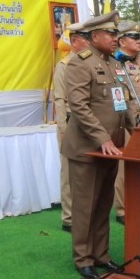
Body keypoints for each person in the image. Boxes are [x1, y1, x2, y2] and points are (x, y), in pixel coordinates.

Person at [62, 12, 134, 279]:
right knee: (85, 206)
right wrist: (103, 138)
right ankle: (83, 258)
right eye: (111, 34)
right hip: (87, 150)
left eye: (116, 34)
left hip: (111, 149)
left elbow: (122, 103)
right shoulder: (80, 63)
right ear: (95, 36)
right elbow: (79, 106)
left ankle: (101, 254)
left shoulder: (114, 64)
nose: (116, 38)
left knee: (104, 204)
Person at [113, 21, 140, 225]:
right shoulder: (117, 62)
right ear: (122, 41)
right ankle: (122, 209)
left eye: (139, 37)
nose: (138, 41)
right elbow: (119, 98)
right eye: (134, 38)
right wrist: (126, 122)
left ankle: (138, 203)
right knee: (124, 167)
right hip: (126, 122)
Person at [54, 22, 88, 233]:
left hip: (88, 124)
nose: (89, 41)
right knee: (69, 172)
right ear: (75, 41)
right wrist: (62, 128)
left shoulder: (89, 63)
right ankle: (69, 217)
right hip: (70, 122)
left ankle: (84, 214)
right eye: (86, 37)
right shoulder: (64, 65)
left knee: (86, 172)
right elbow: (59, 99)